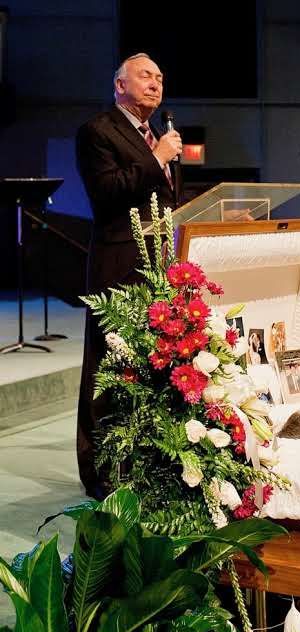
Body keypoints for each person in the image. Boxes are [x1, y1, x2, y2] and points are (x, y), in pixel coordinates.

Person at [75, 53, 182, 499]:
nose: (155, 83)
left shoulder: (155, 134)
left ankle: (143, 461)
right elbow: (107, 193)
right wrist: (157, 157)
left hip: (158, 262)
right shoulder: (98, 131)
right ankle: (99, 471)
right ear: (119, 85)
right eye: (145, 75)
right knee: (107, 365)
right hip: (118, 263)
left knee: (149, 365)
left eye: (160, 77)